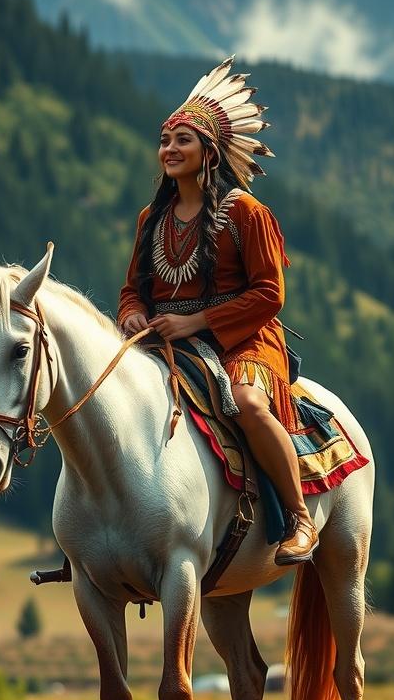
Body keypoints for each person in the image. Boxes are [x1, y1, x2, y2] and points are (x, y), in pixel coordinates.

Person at [117, 57, 318, 565]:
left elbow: (270, 293)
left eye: (182, 140)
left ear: (209, 150)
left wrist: (197, 320)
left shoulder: (248, 213)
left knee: (248, 404)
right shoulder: (151, 218)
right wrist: (133, 314)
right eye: (165, 141)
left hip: (245, 338)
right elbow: (131, 288)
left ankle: (300, 518)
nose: (169, 149)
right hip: (166, 338)